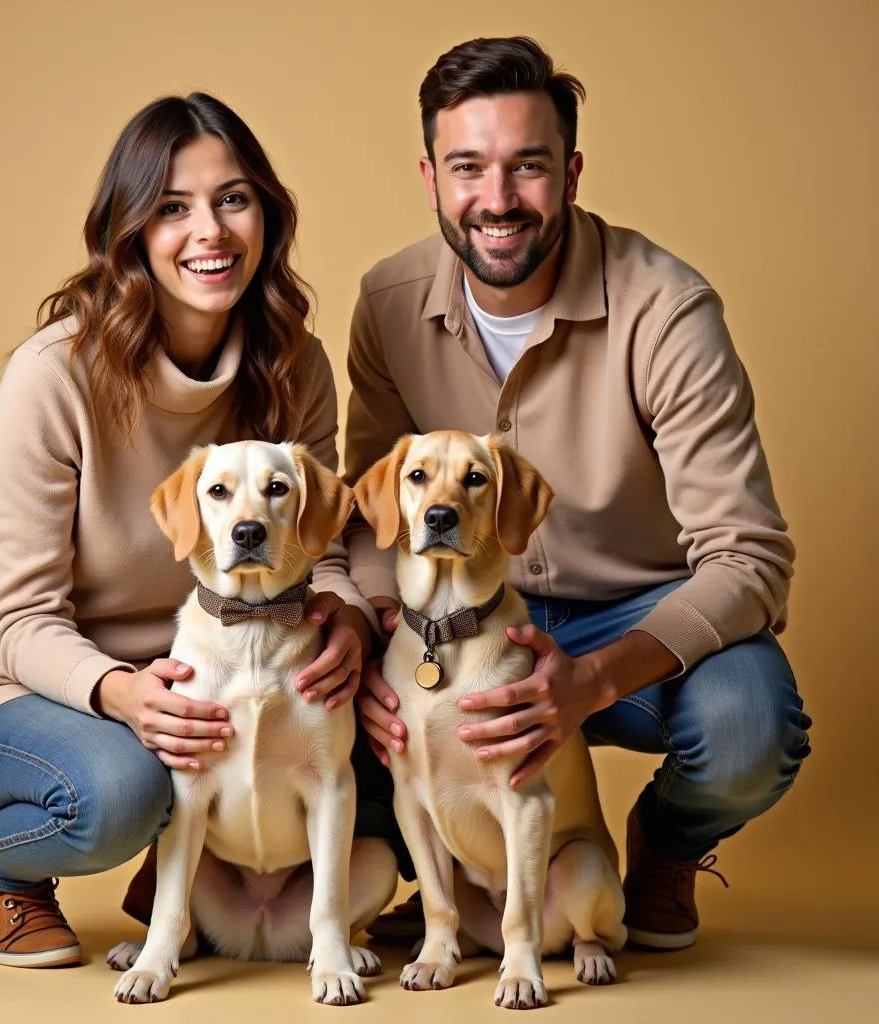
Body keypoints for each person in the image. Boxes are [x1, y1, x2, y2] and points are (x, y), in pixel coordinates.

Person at [344, 36, 812, 952]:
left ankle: (666, 847)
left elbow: (751, 557)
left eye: (530, 167)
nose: (499, 199)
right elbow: (367, 524)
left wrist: (594, 677)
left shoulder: (667, 309)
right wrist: (371, 629)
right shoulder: (388, 303)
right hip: (451, 621)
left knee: (750, 725)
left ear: (572, 173)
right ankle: (439, 880)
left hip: (633, 619)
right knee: (315, 675)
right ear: (432, 177)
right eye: (469, 168)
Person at [0, 92, 377, 969]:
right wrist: (123, 696)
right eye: (173, 207)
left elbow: (328, 546)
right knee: (125, 790)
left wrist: (350, 621)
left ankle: (194, 881)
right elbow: (20, 621)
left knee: (378, 718)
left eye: (233, 199)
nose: (211, 231)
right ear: (132, 231)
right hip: (23, 686)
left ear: (266, 216)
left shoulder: (295, 363)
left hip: (220, 668)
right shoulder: (53, 376)